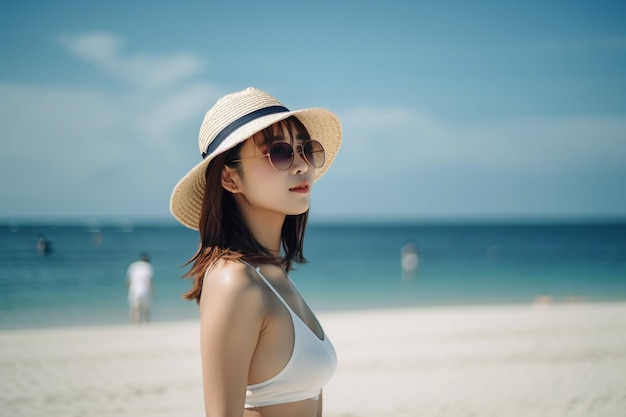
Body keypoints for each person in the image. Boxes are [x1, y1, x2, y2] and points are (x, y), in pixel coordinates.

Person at [169, 87, 341, 417]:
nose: (302, 166)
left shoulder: (271, 273)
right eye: (279, 153)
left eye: (305, 150)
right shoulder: (234, 281)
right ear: (231, 179)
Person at [126, 252, 154, 323]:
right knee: (146, 309)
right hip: (145, 290)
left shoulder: (133, 266)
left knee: (135, 309)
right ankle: (146, 324)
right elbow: (149, 280)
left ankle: (135, 325)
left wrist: (128, 289)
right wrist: (153, 290)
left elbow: (128, 280)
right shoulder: (148, 266)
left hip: (133, 289)